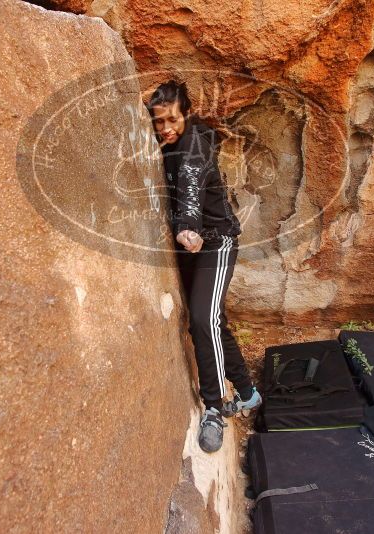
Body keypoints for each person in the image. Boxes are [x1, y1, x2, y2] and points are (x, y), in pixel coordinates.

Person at [148, 80, 261, 453]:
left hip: (215, 240)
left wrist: (188, 228)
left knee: (201, 318)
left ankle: (214, 407)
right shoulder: (172, 141)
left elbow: (192, 183)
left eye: (173, 120)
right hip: (191, 246)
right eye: (158, 121)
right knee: (213, 318)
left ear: (187, 114)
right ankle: (246, 393)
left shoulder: (194, 144)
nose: (166, 128)